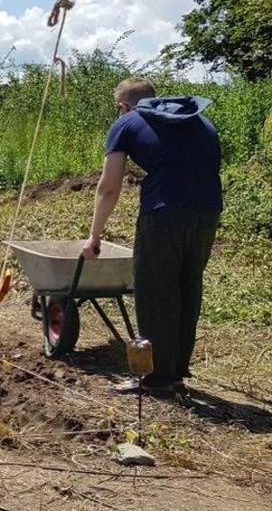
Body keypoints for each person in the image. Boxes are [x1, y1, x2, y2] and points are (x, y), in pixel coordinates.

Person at [82, 76, 222, 395]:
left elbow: (109, 187)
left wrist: (94, 236)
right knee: (187, 285)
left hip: (164, 213)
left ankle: (158, 378)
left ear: (122, 106)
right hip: (208, 210)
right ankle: (174, 369)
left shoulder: (126, 122)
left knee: (155, 290)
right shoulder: (199, 119)